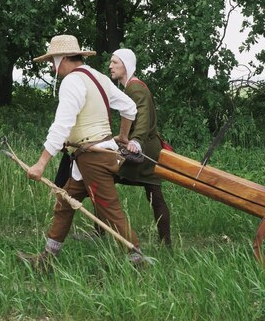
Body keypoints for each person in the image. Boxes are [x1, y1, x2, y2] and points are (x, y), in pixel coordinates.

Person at [17, 35, 143, 270]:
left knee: (109, 209)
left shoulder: (72, 82)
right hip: (88, 157)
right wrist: (123, 136)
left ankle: (137, 259)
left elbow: (61, 126)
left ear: (61, 59)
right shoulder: (98, 77)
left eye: (52, 62)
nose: (52, 67)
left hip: (94, 159)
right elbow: (129, 108)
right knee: (65, 202)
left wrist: (41, 163)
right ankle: (46, 259)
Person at [73, 48, 172, 247]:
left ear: (125, 65)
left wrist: (135, 141)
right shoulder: (130, 87)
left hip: (142, 152)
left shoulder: (135, 88)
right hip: (145, 149)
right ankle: (166, 244)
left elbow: (142, 117)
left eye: (115, 62)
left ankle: (100, 232)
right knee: (153, 194)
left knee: (100, 178)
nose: (110, 66)